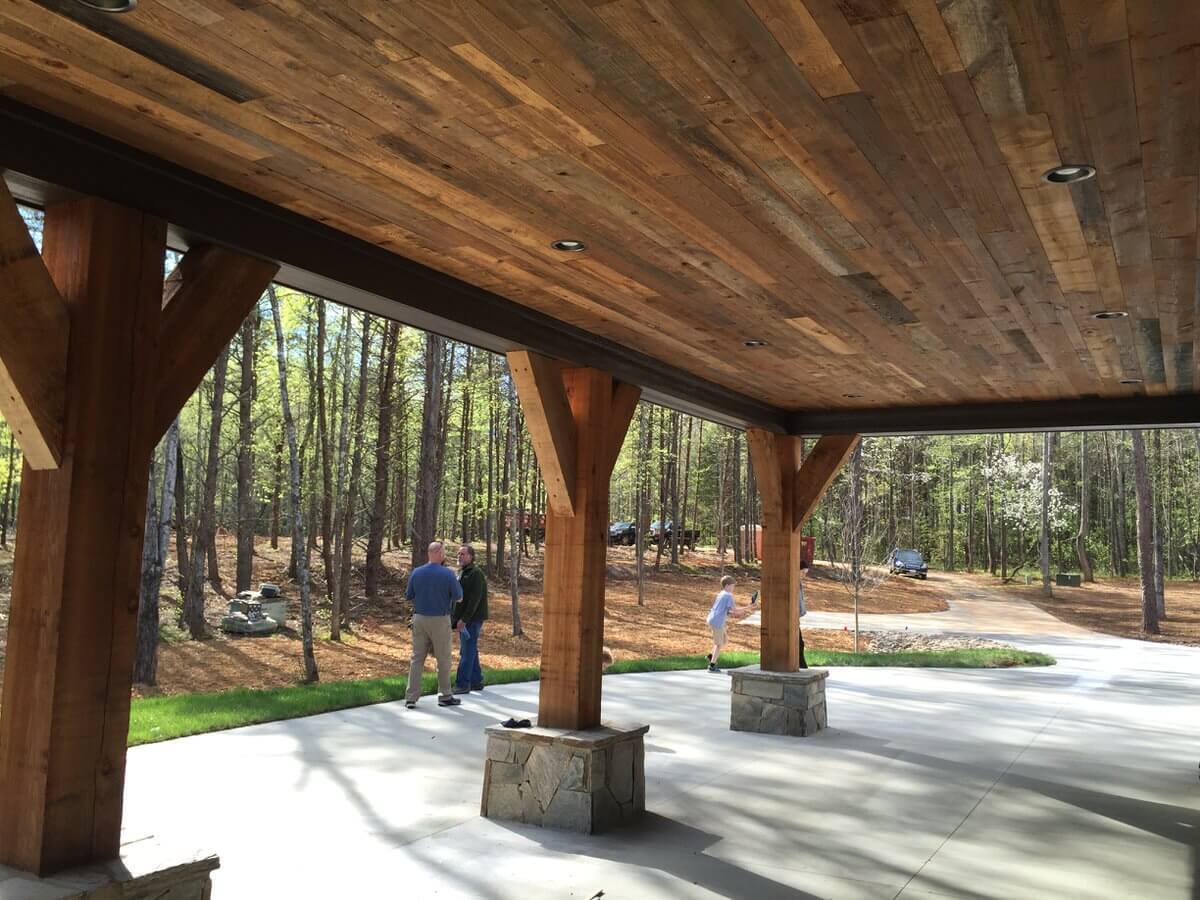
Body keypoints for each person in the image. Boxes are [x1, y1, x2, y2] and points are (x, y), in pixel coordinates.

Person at [404, 541, 463, 709]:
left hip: (419, 618)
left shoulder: (417, 572)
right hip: (440, 619)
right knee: (443, 658)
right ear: (439, 553)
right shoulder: (448, 574)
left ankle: (411, 697)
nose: (444, 554)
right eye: (443, 551)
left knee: (417, 658)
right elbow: (459, 597)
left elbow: (409, 595)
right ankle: (445, 695)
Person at [451, 544, 488, 695]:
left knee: (466, 650)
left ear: (471, 557)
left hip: (472, 619)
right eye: (458, 554)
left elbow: (475, 599)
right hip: (464, 618)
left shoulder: (475, 573)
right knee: (470, 648)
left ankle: (462, 684)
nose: (460, 556)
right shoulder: (462, 572)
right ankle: (476, 681)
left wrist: (464, 620)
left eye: (463, 554)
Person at [706, 574, 752, 673]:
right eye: (732, 586)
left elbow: (727, 610)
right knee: (719, 644)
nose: (733, 588)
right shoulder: (728, 595)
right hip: (717, 621)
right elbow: (734, 610)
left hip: (714, 619)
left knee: (724, 640)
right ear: (727, 585)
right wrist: (748, 607)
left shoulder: (721, 593)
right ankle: (712, 666)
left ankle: (711, 656)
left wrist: (735, 613)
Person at [798, 558, 810, 669]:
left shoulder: (799, 583)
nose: (804, 575)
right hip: (791, 618)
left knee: (800, 643)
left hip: (795, 618)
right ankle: (802, 666)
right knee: (799, 643)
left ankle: (801, 665)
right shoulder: (794, 584)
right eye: (803, 572)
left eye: (805, 573)